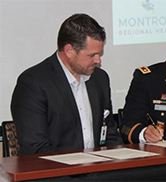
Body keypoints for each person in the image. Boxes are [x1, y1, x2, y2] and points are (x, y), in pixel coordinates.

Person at [11, 13, 123, 155]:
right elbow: (36, 147)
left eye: (99, 54)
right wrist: (79, 171)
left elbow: (109, 132)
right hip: (56, 173)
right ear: (69, 50)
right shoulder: (33, 83)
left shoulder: (100, 79)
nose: (98, 61)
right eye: (91, 55)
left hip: (97, 171)